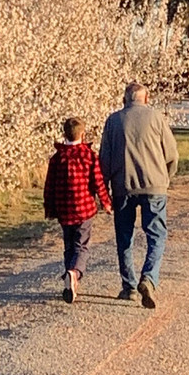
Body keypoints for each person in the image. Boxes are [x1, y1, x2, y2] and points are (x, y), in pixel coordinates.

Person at [99, 82, 179, 309]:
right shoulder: (156, 118)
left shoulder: (113, 121)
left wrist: (102, 190)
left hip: (123, 186)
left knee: (124, 238)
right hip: (154, 186)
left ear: (125, 99)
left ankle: (130, 287)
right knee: (157, 235)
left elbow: (104, 158)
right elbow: (172, 153)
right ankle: (149, 278)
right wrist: (165, 179)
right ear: (147, 97)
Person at [43, 117, 112, 304]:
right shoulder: (89, 156)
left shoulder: (57, 159)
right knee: (81, 245)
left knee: (68, 246)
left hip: (64, 210)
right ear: (83, 134)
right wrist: (106, 202)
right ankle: (74, 273)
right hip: (84, 209)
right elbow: (98, 182)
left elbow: (49, 186)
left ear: (64, 134)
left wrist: (49, 208)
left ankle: (69, 280)